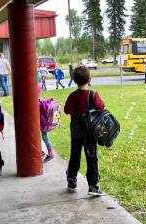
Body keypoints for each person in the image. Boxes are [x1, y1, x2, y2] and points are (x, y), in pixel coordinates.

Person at [64, 66, 105, 196]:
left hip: (76, 132)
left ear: (74, 81)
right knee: (92, 157)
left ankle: (71, 181)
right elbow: (101, 106)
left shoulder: (72, 96)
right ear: (90, 79)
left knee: (74, 156)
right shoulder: (93, 94)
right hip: (90, 132)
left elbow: (66, 110)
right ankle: (93, 186)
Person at [38, 85, 55, 163]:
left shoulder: (37, 102)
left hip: (41, 124)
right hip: (44, 123)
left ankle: (51, 153)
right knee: (43, 137)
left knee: (45, 137)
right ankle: (42, 151)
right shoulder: (41, 99)